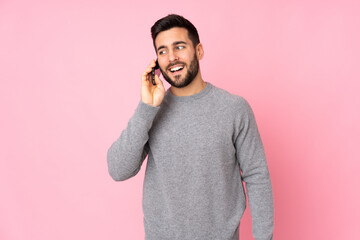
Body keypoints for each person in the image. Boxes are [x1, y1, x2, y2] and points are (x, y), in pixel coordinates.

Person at [107, 14, 274, 240]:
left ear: (199, 51)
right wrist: (147, 107)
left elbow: (257, 176)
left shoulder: (234, 108)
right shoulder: (151, 111)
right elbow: (118, 169)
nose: (172, 57)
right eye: (162, 51)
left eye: (179, 47)